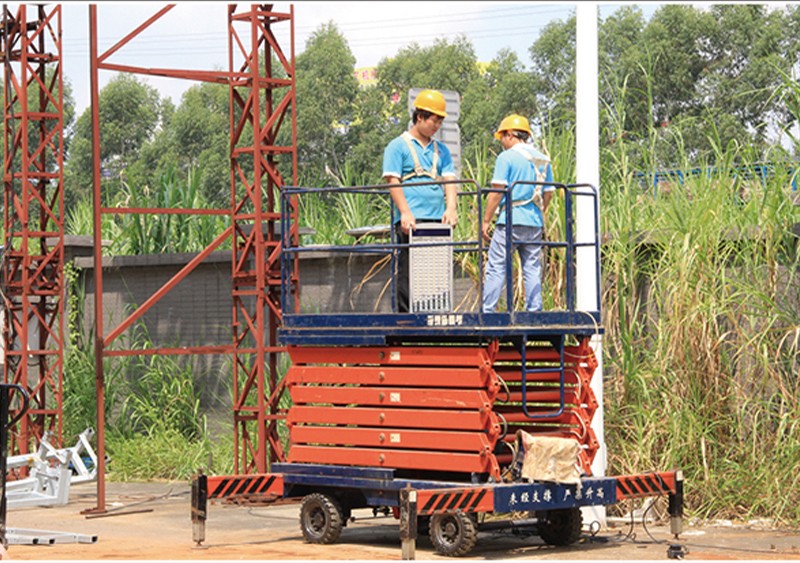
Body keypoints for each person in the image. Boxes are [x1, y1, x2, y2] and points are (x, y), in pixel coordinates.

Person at [382, 89, 458, 312]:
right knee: (409, 267)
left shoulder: (441, 150)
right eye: (434, 121)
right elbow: (393, 180)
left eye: (440, 122)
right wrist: (405, 212)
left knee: (436, 267)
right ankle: (408, 315)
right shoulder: (398, 146)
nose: (437, 126)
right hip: (412, 219)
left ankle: (435, 310)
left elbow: (450, 179)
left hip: (436, 218)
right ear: (419, 117)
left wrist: (451, 208)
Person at [482, 113, 554, 313]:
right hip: (534, 222)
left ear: (509, 135)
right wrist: (540, 213)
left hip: (510, 220)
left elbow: (497, 192)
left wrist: (486, 220)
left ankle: (488, 311)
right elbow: (548, 194)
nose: (502, 142)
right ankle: (534, 310)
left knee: (496, 265)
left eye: (502, 137)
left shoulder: (507, 157)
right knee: (531, 266)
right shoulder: (542, 159)